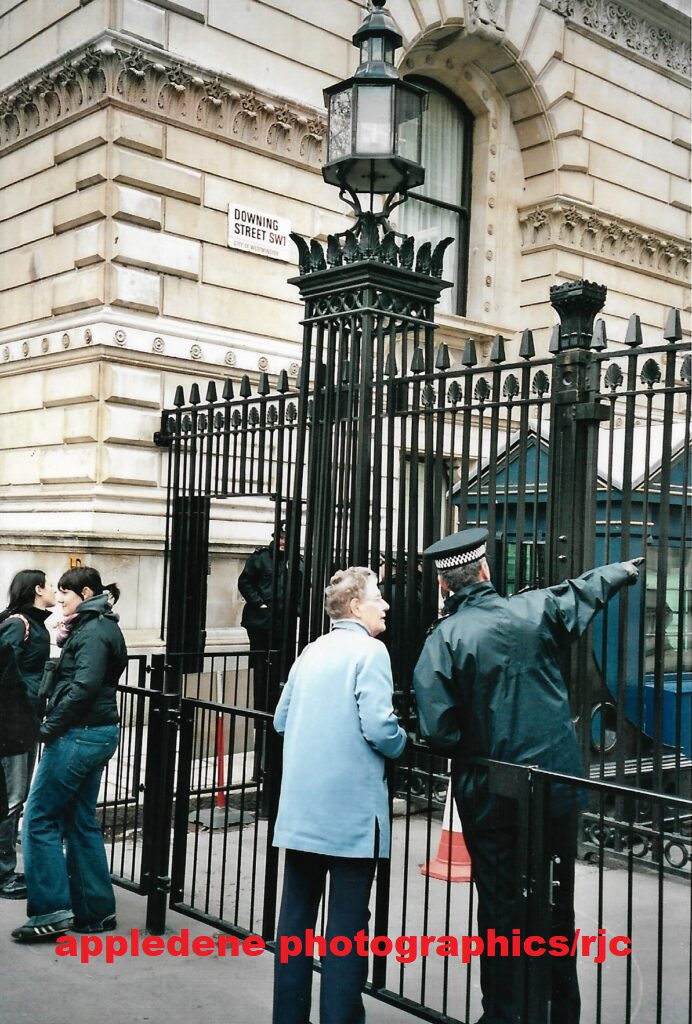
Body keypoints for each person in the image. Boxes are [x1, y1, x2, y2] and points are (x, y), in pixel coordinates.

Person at [412, 528, 643, 1024]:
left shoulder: (445, 639)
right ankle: (561, 1012)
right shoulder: (534, 609)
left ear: (444, 586)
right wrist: (622, 572)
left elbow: (439, 730)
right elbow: (583, 590)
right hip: (558, 786)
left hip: (494, 792)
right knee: (556, 899)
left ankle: (507, 1014)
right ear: (486, 571)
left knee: (502, 905)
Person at [272, 566, 407, 1024]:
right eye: (378, 597)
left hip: (302, 810)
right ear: (355, 607)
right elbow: (380, 728)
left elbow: (280, 719)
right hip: (351, 814)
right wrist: (403, 741)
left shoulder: (311, 650)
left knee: (295, 923)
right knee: (346, 929)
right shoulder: (371, 652)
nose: (385, 604)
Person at [11, 566, 128, 942]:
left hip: (79, 735)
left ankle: (50, 911)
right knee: (80, 821)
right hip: (93, 733)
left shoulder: (93, 630)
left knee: (39, 819)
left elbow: (84, 685)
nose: (59, 598)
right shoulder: (98, 625)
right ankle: (95, 911)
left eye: (65, 592)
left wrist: (48, 728)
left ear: (86, 592)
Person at [0, 570, 56, 900]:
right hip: (13, 726)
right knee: (11, 799)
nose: (53, 591)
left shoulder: (29, 624)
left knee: (11, 798)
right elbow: (7, 675)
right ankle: (4, 872)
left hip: (22, 723)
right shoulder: (18, 624)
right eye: (50, 585)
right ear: (37, 589)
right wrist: (32, 697)